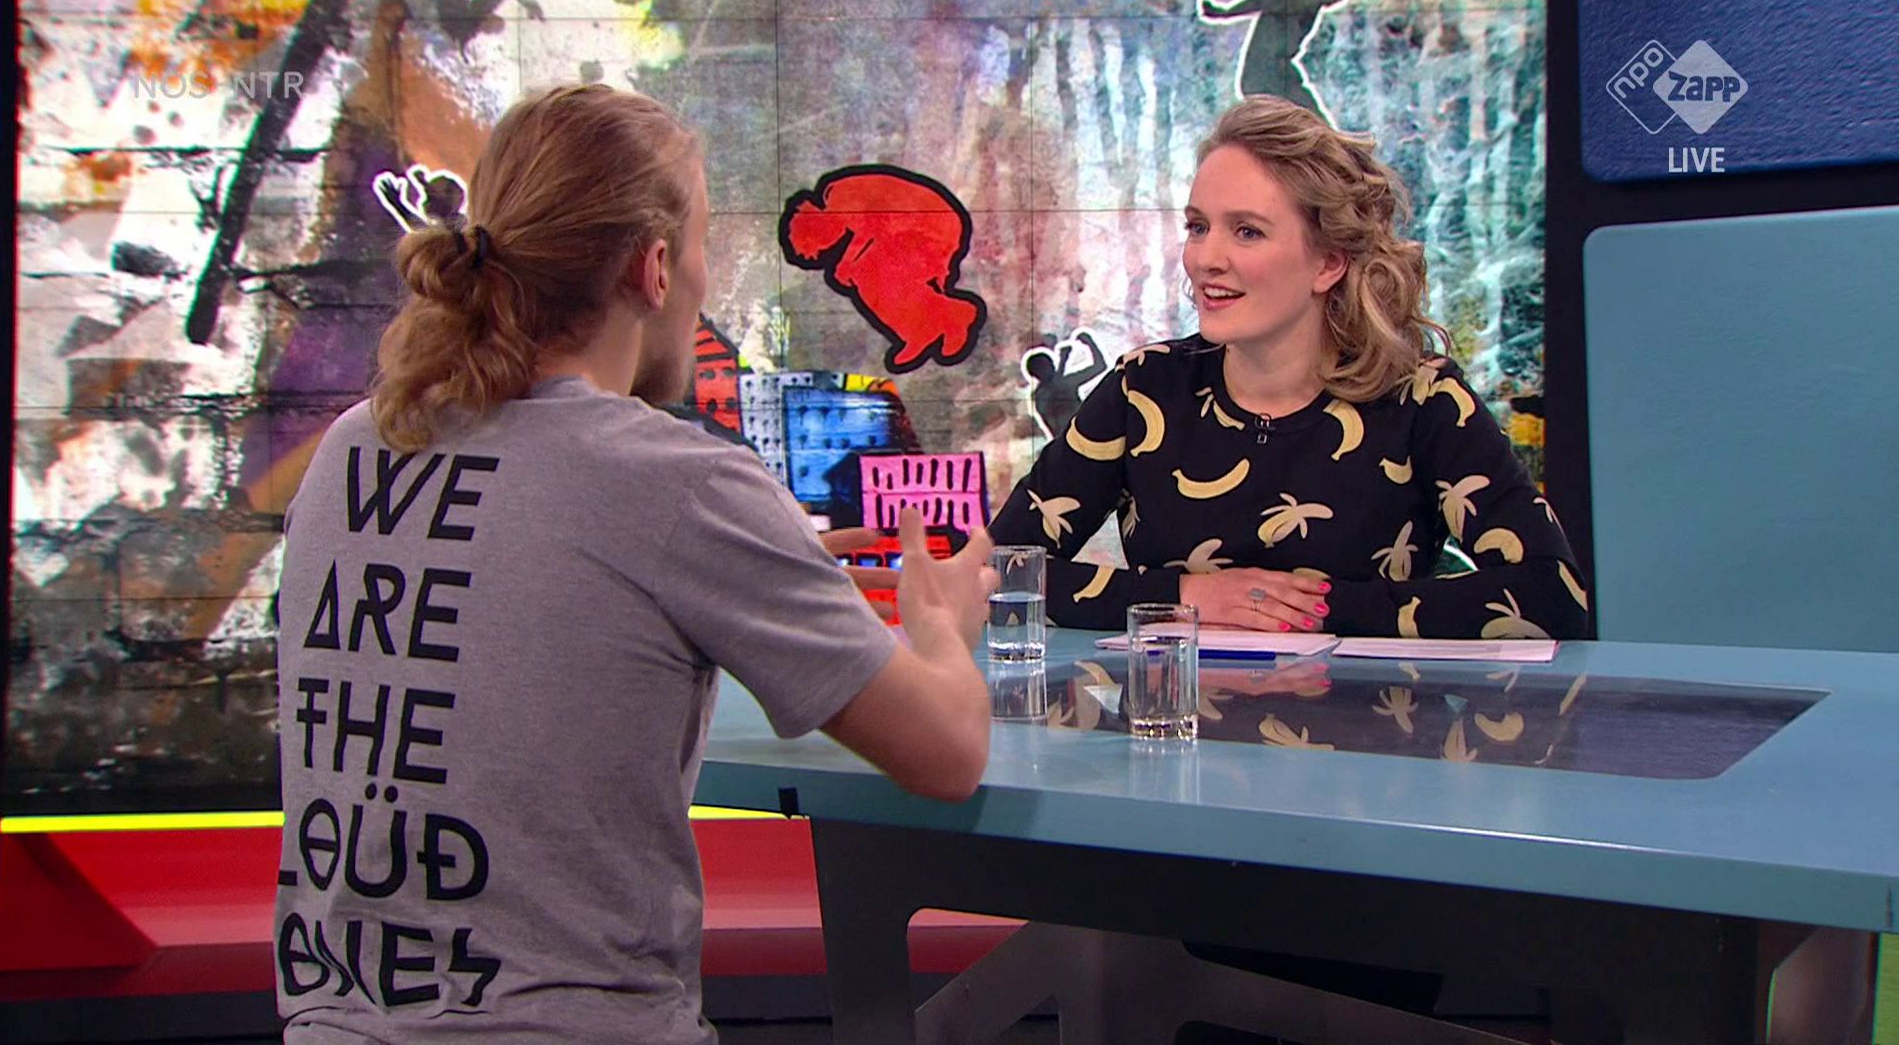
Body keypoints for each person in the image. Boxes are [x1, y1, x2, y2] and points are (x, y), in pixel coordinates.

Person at [273, 84, 995, 1044]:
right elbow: (948, 754)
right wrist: (942, 623)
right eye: (702, 246)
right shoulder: (676, 483)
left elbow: (528, 591)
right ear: (653, 269)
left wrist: (751, 563)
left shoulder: (358, 444)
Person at [990, 95, 1589, 641]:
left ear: (1328, 263)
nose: (1206, 258)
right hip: (1176, 721)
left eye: (1247, 231)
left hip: (1367, 724)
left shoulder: (1420, 399)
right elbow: (994, 572)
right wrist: (1186, 597)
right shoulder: (1143, 388)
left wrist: (1312, 611)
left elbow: (1551, 596)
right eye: (1198, 227)